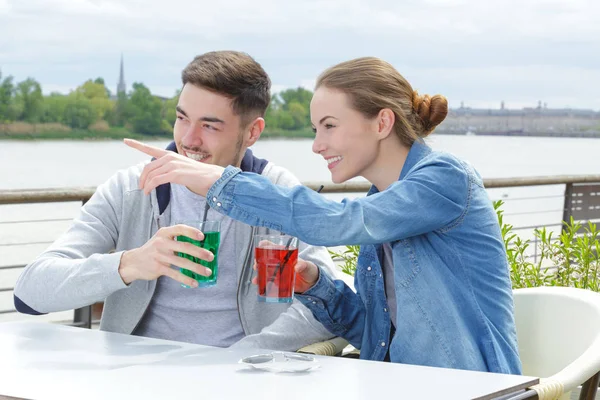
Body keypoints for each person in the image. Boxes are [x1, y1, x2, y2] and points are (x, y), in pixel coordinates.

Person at [124, 56, 523, 374]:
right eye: (316, 129)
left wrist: (218, 180)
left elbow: (340, 222)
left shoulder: (444, 180)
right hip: (400, 384)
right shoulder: (381, 202)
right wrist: (316, 286)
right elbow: (375, 336)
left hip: (468, 386)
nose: (317, 145)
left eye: (329, 126)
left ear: (382, 122)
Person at [13, 51, 337, 351]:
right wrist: (130, 264)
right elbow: (29, 294)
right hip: (133, 377)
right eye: (182, 118)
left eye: (209, 125)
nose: (188, 139)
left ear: (252, 132)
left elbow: (332, 307)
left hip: (240, 380)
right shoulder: (130, 189)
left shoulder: (277, 191)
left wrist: (248, 354)